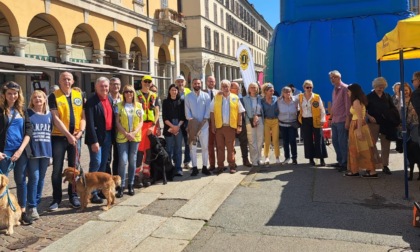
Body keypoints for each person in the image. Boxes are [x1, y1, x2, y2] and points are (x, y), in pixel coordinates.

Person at [48, 71, 85, 211]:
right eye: (64, 79)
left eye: (69, 79)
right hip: (59, 137)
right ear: (59, 81)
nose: (67, 81)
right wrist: (68, 135)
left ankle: (73, 196)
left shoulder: (79, 95)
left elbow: (83, 116)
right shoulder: (53, 96)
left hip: (76, 137)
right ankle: (56, 198)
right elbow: (55, 118)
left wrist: (80, 132)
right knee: (57, 169)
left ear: (73, 81)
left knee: (74, 169)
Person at [0, 81, 33, 224]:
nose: (13, 96)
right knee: (2, 184)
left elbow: (28, 131)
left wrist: (20, 150)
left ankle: (22, 211)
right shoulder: (1, 110)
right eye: (9, 93)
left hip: (20, 151)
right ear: (4, 95)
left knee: (21, 181)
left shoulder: (22, 111)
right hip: (4, 152)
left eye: (15, 93)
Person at [84, 77, 114, 204]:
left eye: (106, 86)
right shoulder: (91, 101)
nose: (104, 88)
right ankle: (92, 192)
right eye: (102, 86)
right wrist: (94, 141)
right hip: (96, 137)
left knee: (103, 163)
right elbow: (90, 124)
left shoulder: (110, 98)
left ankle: (101, 189)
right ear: (96, 87)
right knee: (95, 163)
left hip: (108, 135)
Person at [26, 90, 52, 220]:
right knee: (34, 178)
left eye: (40, 97)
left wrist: (51, 155)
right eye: (35, 97)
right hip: (33, 152)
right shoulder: (28, 113)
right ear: (32, 100)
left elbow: (50, 134)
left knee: (41, 178)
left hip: (45, 151)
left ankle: (35, 203)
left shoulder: (49, 115)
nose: (38, 99)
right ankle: (32, 205)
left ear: (44, 99)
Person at [210, 80, 245, 174]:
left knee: (230, 147)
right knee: (220, 147)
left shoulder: (235, 97)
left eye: (227, 86)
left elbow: (240, 113)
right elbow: (212, 112)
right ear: (221, 87)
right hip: (219, 127)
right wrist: (213, 125)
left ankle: (232, 166)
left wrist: (239, 125)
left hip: (230, 127)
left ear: (230, 87)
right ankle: (220, 166)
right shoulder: (216, 97)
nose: (225, 88)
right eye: (223, 86)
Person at [345, 84, 379, 178]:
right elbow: (363, 113)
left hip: (357, 125)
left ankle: (370, 171)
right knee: (359, 148)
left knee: (362, 148)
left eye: (349, 91)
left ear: (353, 91)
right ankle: (355, 170)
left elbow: (360, 116)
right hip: (357, 124)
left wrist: (359, 130)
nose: (347, 93)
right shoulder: (358, 101)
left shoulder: (356, 101)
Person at [115, 84, 143, 197]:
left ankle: (130, 184)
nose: (128, 94)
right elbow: (117, 122)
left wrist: (134, 133)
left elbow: (141, 121)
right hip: (122, 136)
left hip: (135, 137)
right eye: (126, 92)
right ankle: (121, 186)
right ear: (123, 93)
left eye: (131, 92)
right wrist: (126, 133)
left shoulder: (139, 106)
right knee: (123, 161)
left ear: (134, 93)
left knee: (133, 160)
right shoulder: (119, 105)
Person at [366, 77, 398, 175]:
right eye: (379, 87)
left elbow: (393, 108)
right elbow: (363, 109)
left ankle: (385, 165)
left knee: (386, 145)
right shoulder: (369, 96)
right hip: (373, 123)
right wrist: (369, 116)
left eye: (382, 87)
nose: (381, 89)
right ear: (374, 86)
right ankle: (374, 162)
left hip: (386, 123)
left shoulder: (387, 96)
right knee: (371, 144)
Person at [136, 75, 161, 187]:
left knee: (149, 151)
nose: (147, 83)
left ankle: (147, 174)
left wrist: (154, 126)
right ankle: (137, 176)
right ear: (141, 82)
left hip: (151, 126)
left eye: (149, 82)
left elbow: (157, 112)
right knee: (139, 151)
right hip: (140, 126)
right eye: (145, 81)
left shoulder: (154, 96)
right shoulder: (136, 94)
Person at [185, 78, 211, 176]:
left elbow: (208, 109)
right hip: (193, 125)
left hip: (204, 125)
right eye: (195, 83)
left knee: (205, 147)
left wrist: (204, 120)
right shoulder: (188, 96)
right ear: (192, 84)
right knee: (193, 147)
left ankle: (205, 166)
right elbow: (187, 110)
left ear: (201, 84)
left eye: (198, 83)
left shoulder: (206, 96)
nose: (197, 85)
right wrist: (192, 121)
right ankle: (195, 167)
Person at [298, 80, 328, 166]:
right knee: (307, 140)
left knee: (319, 139)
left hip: (316, 119)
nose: (309, 89)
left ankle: (321, 158)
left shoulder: (316, 97)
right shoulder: (300, 97)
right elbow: (292, 100)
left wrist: (323, 120)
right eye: (307, 87)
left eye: (311, 87)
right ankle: (310, 159)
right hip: (305, 120)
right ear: (304, 88)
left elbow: (322, 109)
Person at [328, 70, 351, 171]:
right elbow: (334, 105)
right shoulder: (334, 89)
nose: (332, 79)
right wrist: (331, 117)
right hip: (335, 120)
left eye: (335, 77)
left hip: (342, 120)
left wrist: (347, 120)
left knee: (342, 142)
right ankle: (340, 160)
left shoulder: (345, 88)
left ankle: (345, 163)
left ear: (339, 77)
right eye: (331, 78)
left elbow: (348, 106)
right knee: (335, 141)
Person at [162, 84, 186, 176]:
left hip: (179, 125)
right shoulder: (165, 102)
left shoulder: (181, 101)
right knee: (169, 149)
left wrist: (177, 127)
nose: (174, 91)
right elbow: (164, 117)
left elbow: (183, 116)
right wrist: (172, 127)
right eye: (172, 90)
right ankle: (169, 168)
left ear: (177, 91)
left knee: (178, 148)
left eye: (176, 90)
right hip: (169, 126)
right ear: (169, 91)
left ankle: (178, 168)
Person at [230, 81, 251, 167]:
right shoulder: (227, 97)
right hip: (230, 124)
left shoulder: (241, 97)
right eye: (236, 88)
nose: (238, 89)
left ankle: (245, 160)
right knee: (231, 144)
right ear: (231, 88)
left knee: (244, 142)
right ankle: (232, 161)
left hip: (241, 123)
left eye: (239, 88)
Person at [243, 82, 264, 166]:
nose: (253, 89)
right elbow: (244, 111)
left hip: (260, 119)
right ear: (248, 89)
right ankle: (254, 159)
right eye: (251, 87)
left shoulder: (261, 98)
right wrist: (251, 119)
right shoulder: (245, 99)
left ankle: (259, 158)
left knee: (260, 140)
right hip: (249, 120)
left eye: (255, 87)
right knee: (252, 141)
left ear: (257, 89)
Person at [277, 86, 299, 165]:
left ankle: (294, 158)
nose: (288, 93)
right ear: (282, 93)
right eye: (286, 92)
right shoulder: (279, 101)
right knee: (285, 142)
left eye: (289, 92)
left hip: (292, 124)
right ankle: (287, 157)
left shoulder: (295, 100)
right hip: (282, 124)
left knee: (293, 141)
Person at [261, 83, 280, 165]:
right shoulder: (262, 100)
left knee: (275, 140)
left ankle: (277, 157)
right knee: (267, 140)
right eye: (270, 91)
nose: (272, 92)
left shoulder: (276, 98)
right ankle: (266, 157)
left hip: (275, 120)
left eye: (273, 90)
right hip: (266, 121)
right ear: (265, 91)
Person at [175, 75, 191, 169]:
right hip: (177, 121)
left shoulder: (189, 92)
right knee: (177, 143)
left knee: (187, 142)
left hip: (186, 120)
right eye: (178, 82)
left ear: (184, 83)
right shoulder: (174, 91)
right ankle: (177, 162)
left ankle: (187, 161)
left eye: (182, 81)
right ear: (176, 83)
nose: (180, 83)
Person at [107, 77, 122, 175]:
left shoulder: (124, 98)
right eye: (112, 84)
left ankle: (116, 181)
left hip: (120, 132)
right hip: (107, 131)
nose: (115, 86)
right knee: (107, 158)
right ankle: (106, 180)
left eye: (117, 84)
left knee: (118, 157)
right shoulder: (105, 98)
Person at [204, 76, 219, 171]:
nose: (211, 83)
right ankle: (212, 164)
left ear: (215, 82)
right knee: (210, 144)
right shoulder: (202, 93)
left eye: (213, 81)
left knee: (219, 143)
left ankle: (220, 163)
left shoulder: (219, 93)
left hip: (218, 121)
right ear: (206, 82)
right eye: (209, 81)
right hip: (207, 121)